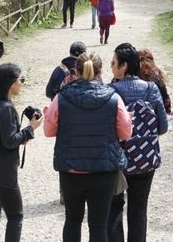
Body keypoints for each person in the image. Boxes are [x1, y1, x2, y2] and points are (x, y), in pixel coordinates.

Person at [44, 53, 133, 242]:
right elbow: (126, 133)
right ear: (100, 72)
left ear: (75, 71)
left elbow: (48, 130)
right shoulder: (114, 98)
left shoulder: (61, 97)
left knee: (72, 220)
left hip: (71, 169)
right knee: (99, 225)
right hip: (103, 170)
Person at [0, 63, 42, 242]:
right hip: (1, 172)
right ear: (11, 83)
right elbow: (10, 141)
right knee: (15, 216)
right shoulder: (6, 108)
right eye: (21, 80)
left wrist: (23, 132)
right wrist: (30, 129)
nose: (22, 83)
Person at [107, 43, 168, 242]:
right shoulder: (151, 89)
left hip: (118, 159)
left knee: (114, 207)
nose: (111, 66)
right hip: (144, 158)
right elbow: (163, 127)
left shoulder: (110, 91)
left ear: (124, 66)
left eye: (114, 62)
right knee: (139, 210)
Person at [137, 49, 172, 116]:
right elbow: (165, 97)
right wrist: (168, 110)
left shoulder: (134, 78)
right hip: (155, 117)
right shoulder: (157, 78)